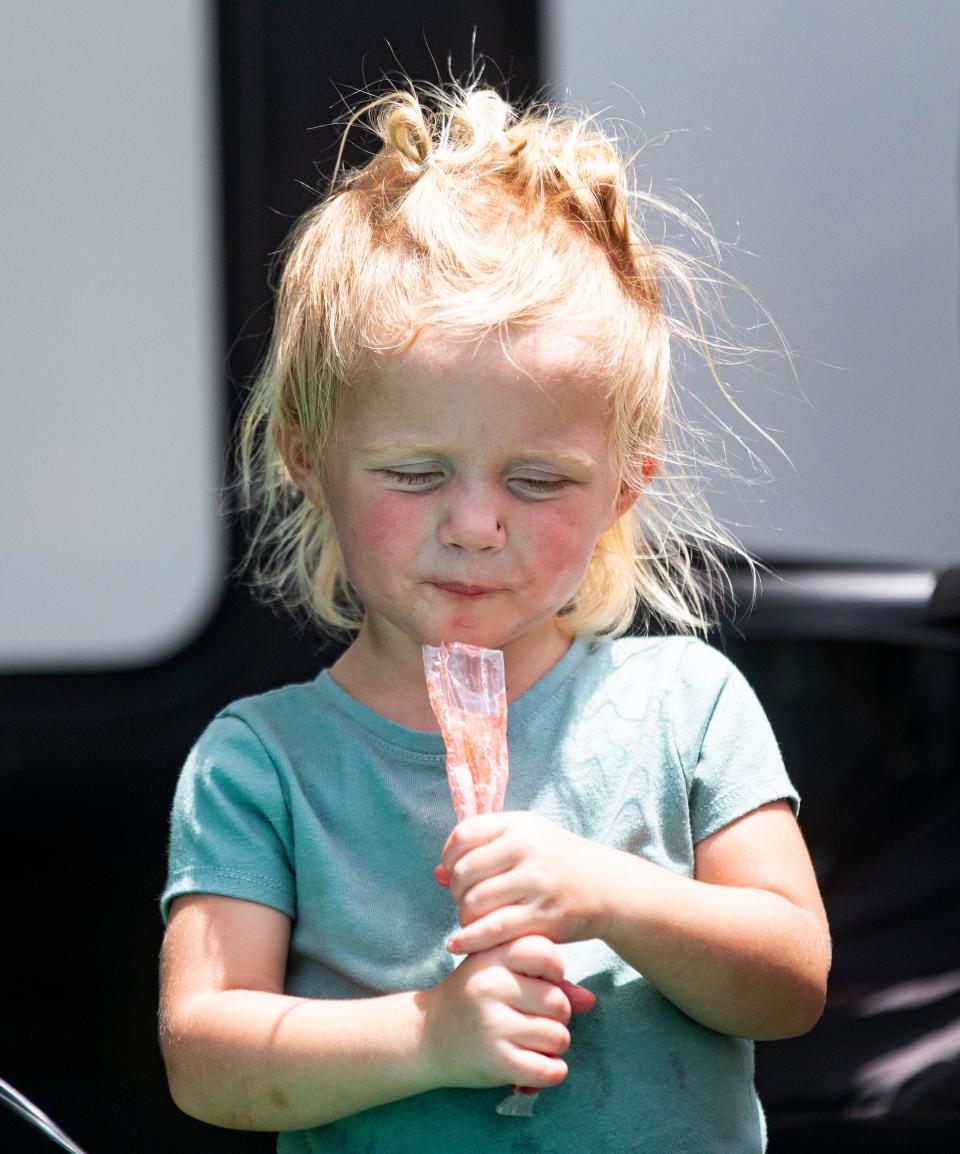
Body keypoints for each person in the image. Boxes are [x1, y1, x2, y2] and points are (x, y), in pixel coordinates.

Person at [158, 80, 830, 1153]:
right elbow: (207, 1053)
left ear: (624, 485)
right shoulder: (263, 762)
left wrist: (608, 891)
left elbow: (790, 979)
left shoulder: (685, 705)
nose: (475, 524)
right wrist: (432, 1035)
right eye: (416, 472)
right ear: (306, 454)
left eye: (539, 481)